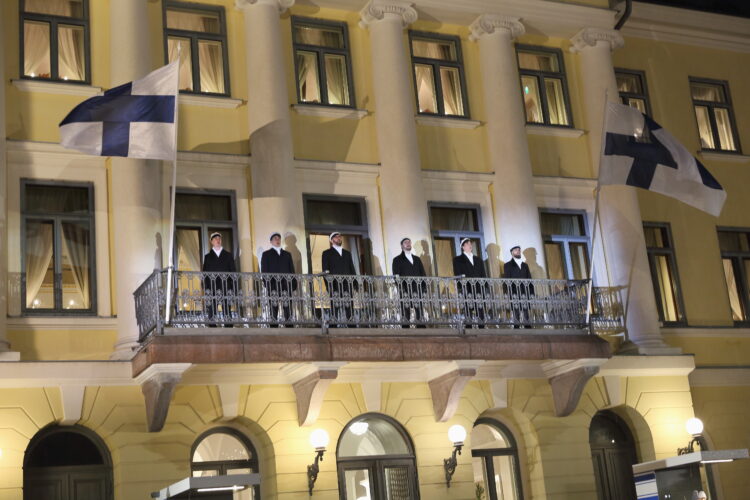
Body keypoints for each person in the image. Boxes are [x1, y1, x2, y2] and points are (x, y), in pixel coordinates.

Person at [260, 232, 296, 327]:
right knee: (273, 307)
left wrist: (293, 284)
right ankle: (273, 328)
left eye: (278, 238)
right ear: (271, 241)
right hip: (273, 285)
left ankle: (289, 327)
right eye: (275, 238)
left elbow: (292, 270)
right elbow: (264, 271)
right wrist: (267, 284)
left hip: (286, 285)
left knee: (287, 307)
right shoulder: (266, 254)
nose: (277, 240)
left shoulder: (287, 254)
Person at [321, 232, 357, 326]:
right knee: (334, 305)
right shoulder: (326, 253)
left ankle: (351, 325)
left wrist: (355, 283)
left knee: (349, 305)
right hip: (334, 284)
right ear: (332, 240)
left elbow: (352, 268)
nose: (339, 238)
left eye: (339, 237)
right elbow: (325, 271)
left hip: (347, 284)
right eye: (336, 237)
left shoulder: (347, 253)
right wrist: (328, 285)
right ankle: (333, 325)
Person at [202, 232, 236, 326]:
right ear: (211, 241)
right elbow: (205, 274)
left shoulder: (228, 255)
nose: (217, 240)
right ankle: (212, 328)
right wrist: (206, 288)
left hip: (226, 286)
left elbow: (233, 272)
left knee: (227, 309)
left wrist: (233, 288)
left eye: (219, 238)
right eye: (215, 238)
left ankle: (228, 327)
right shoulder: (207, 257)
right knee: (212, 309)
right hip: (212, 287)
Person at [392, 237, 427, 328]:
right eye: (405, 242)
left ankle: (421, 328)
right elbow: (396, 276)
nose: (408, 244)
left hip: (417, 288)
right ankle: (406, 330)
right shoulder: (397, 259)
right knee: (405, 311)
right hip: (405, 289)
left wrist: (424, 288)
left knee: (419, 310)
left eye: (409, 242)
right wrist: (401, 289)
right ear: (402, 246)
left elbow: (423, 274)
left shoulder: (417, 259)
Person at [452, 238, 487, 327]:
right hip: (466, 287)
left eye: (470, 243)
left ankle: (482, 326)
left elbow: (483, 273)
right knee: (468, 308)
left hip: (479, 287)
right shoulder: (458, 259)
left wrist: (485, 286)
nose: (470, 245)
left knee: (480, 308)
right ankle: (469, 327)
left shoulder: (478, 259)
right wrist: (460, 287)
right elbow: (457, 273)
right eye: (467, 244)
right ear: (463, 247)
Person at [503, 245, 534, 328]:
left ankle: (527, 327)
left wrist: (531, 292)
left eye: (519, 250)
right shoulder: (507, 265)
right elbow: (507, 280)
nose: (518, 251)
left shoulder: (525, 265)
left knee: (526, 311)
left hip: (525, 291)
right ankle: (516, 327)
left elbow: (529, 279)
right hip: (514, 291)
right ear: (512, 252)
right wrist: (507, 293)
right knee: (516, 311)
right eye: (516, 250)